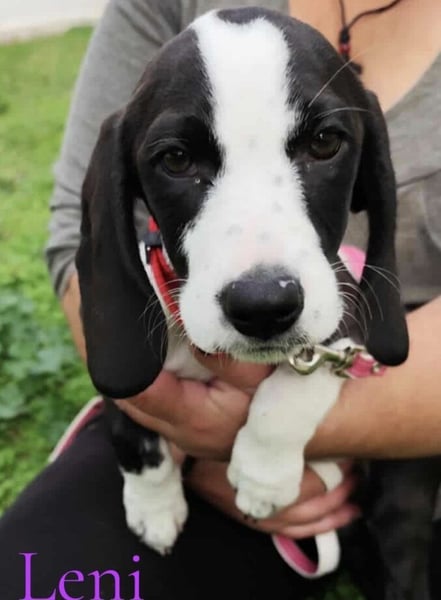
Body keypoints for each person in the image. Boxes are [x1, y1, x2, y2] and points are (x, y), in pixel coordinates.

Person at [0, 0, 440, 598]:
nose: (260, 281)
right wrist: (174, 437)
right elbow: (85, 272)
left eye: (322, 143)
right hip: (183, 432)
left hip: (415, 423)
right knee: (34, 582)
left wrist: (281, 439)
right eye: (177, 158)